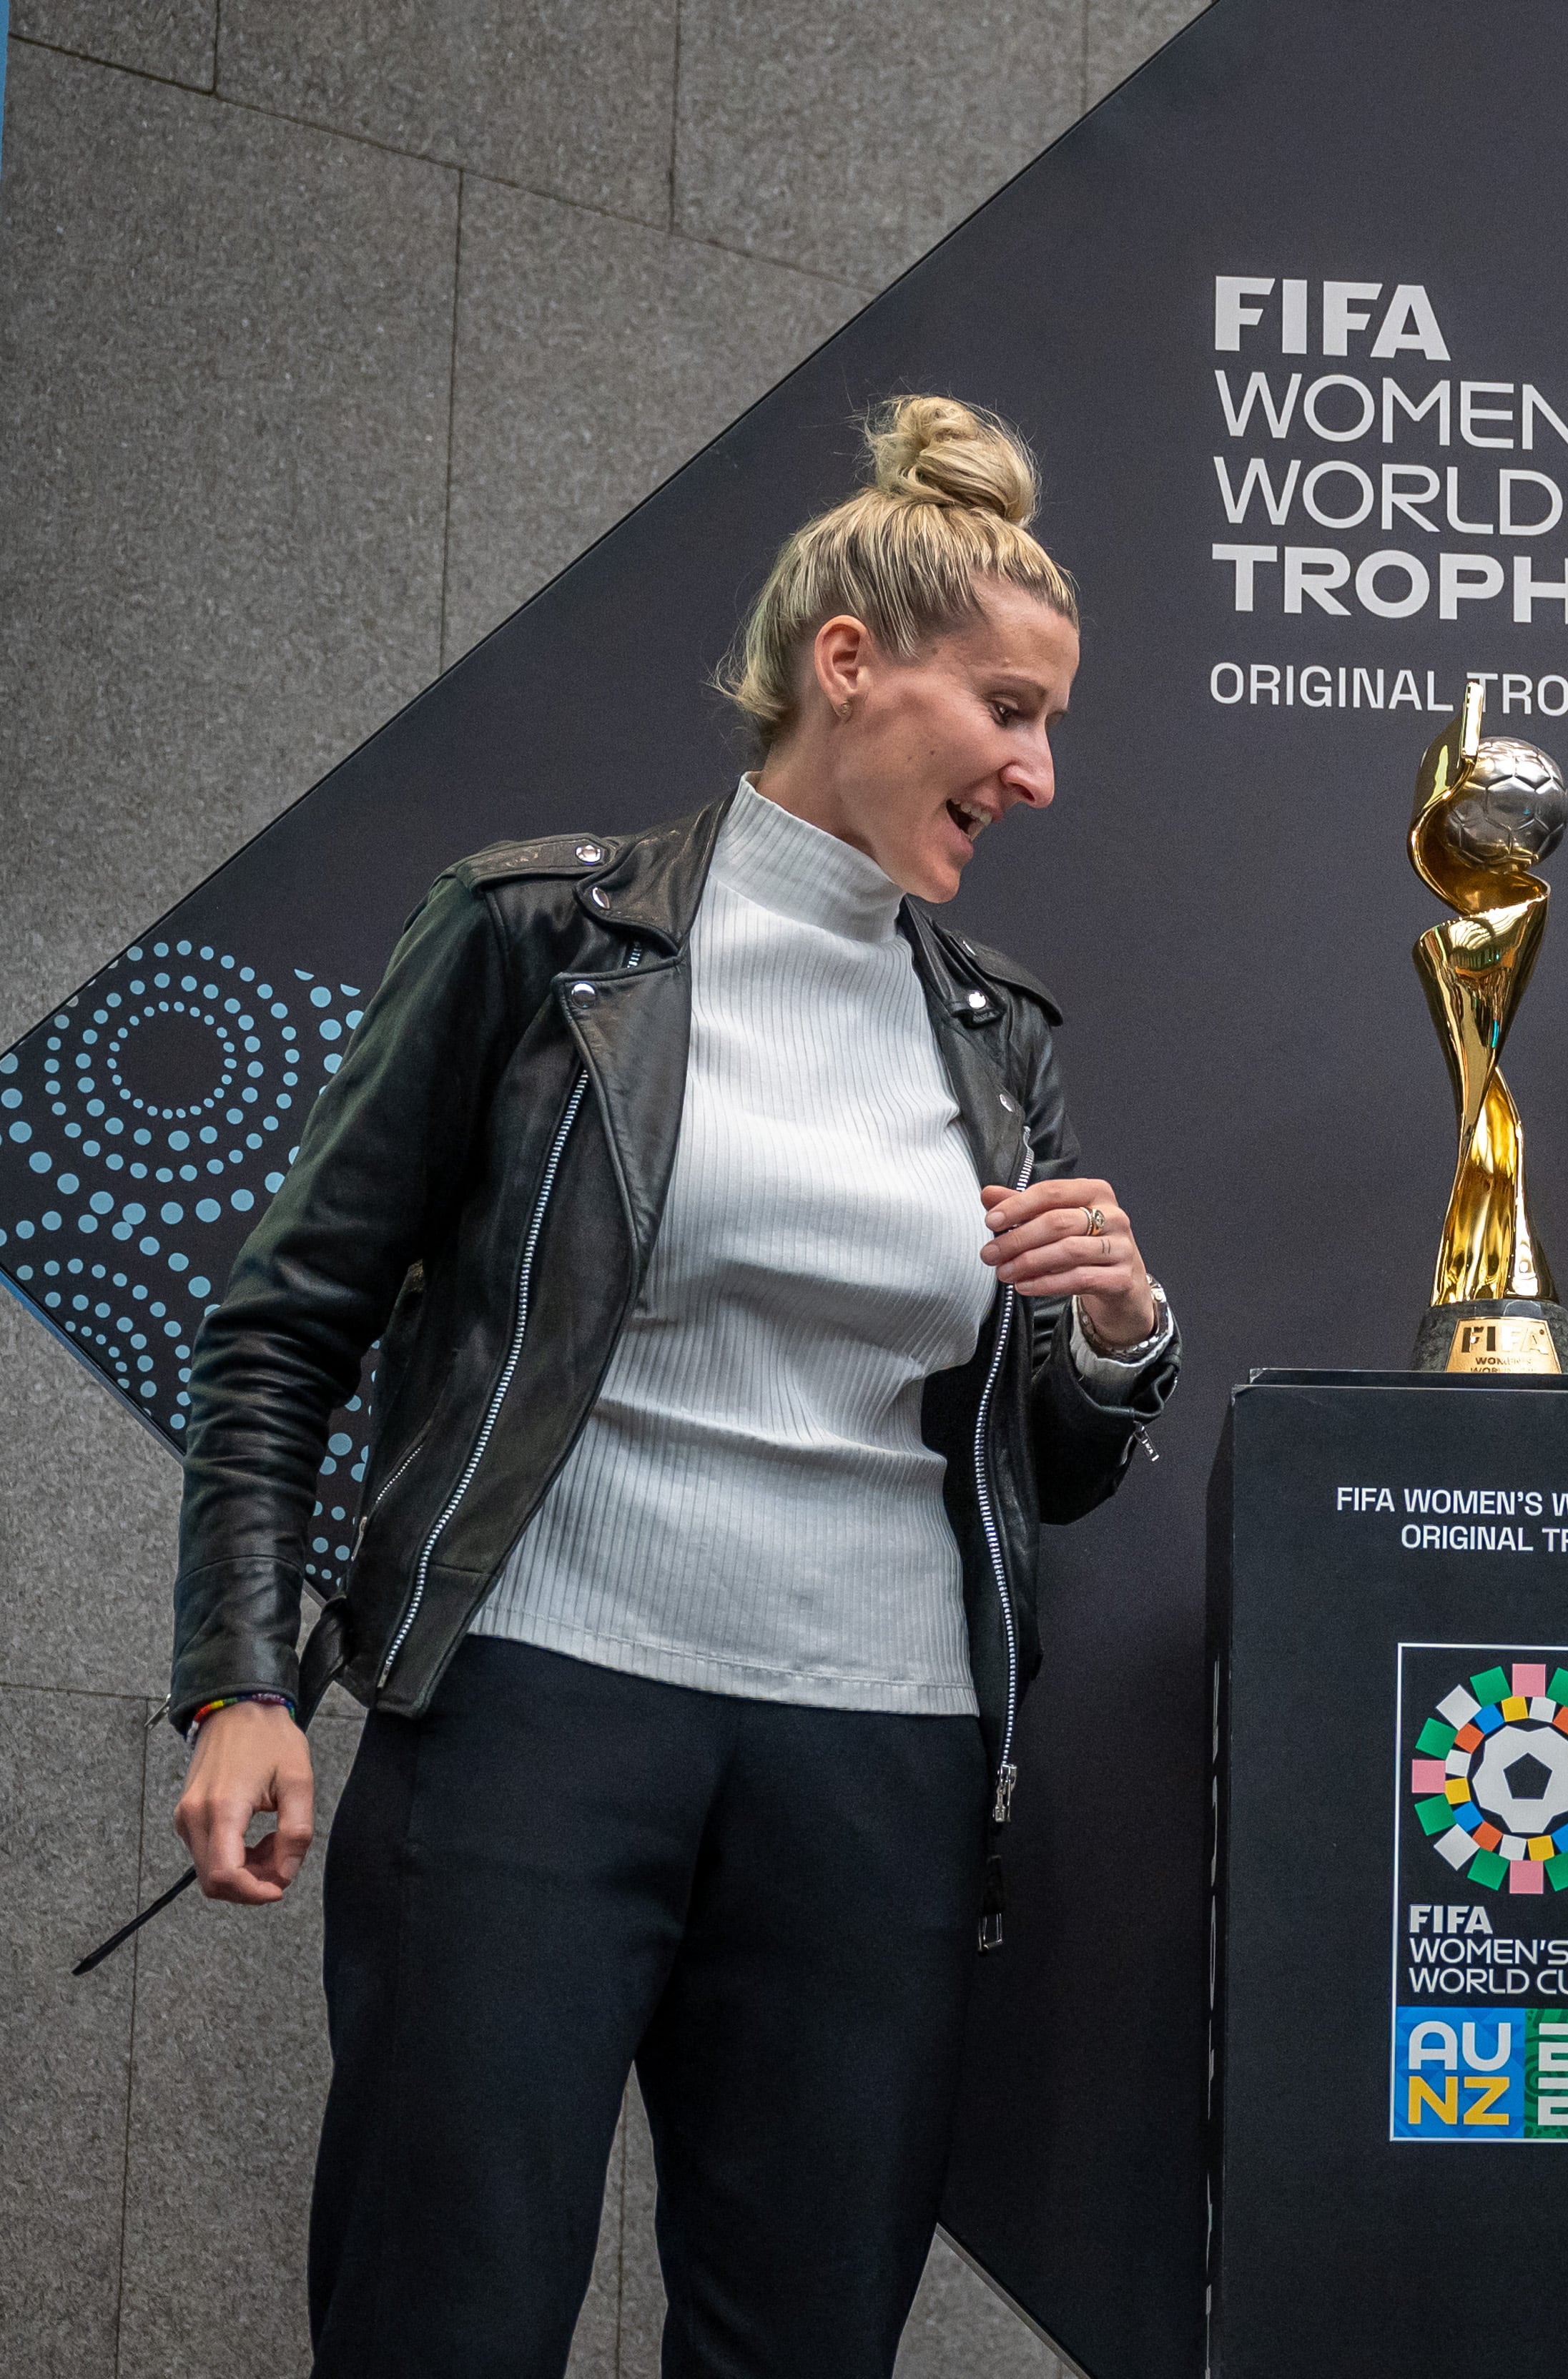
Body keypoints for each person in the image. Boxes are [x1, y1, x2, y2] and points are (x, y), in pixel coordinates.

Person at [162, 395, 1178, 2378]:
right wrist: (238, 1680)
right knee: (438, 2318)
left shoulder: (1003, 1038)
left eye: (1054, 725)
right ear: (851, 664)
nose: (1043, 772)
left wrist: (1122, 1334)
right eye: (1011, 708)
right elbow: (286, 1320)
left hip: (883, 1765)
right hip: (534, 1713)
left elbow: (1044, 1470)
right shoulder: (537, 934)